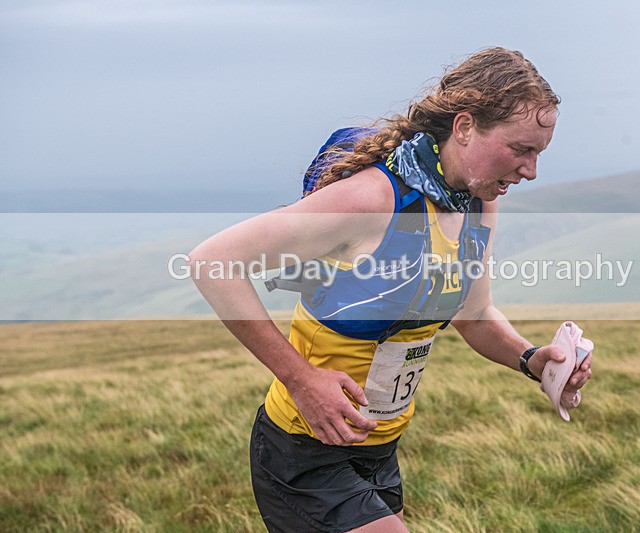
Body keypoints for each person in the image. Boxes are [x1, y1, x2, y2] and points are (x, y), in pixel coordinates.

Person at [190, 46, 593, 533]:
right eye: (520, 149)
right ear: (465, 127)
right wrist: (300, 379)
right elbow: (212, 261)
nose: (531, 170)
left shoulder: (477, 204)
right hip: (304, 450)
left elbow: (475, 315)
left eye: (538, 153)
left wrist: (532, 360)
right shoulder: (372, 200)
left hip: (378, 450)